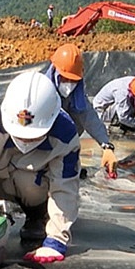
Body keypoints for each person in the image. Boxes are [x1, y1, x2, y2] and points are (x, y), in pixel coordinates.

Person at [0, 70, 80, 264]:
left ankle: (37, 217)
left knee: (28, 181)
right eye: (19, 134)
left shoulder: (65, 136)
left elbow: (64, 188)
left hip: (33, 190)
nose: (24, 140)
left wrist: (55, 241)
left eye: (32, 136)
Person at [45, 44, 117, 178]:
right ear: (54, 70)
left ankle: (62, 158)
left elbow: (89, 117)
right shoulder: (41, 91)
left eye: (72, 80)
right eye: (64, 78)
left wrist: (107, 146)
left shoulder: (76, 94)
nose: (68, 84)